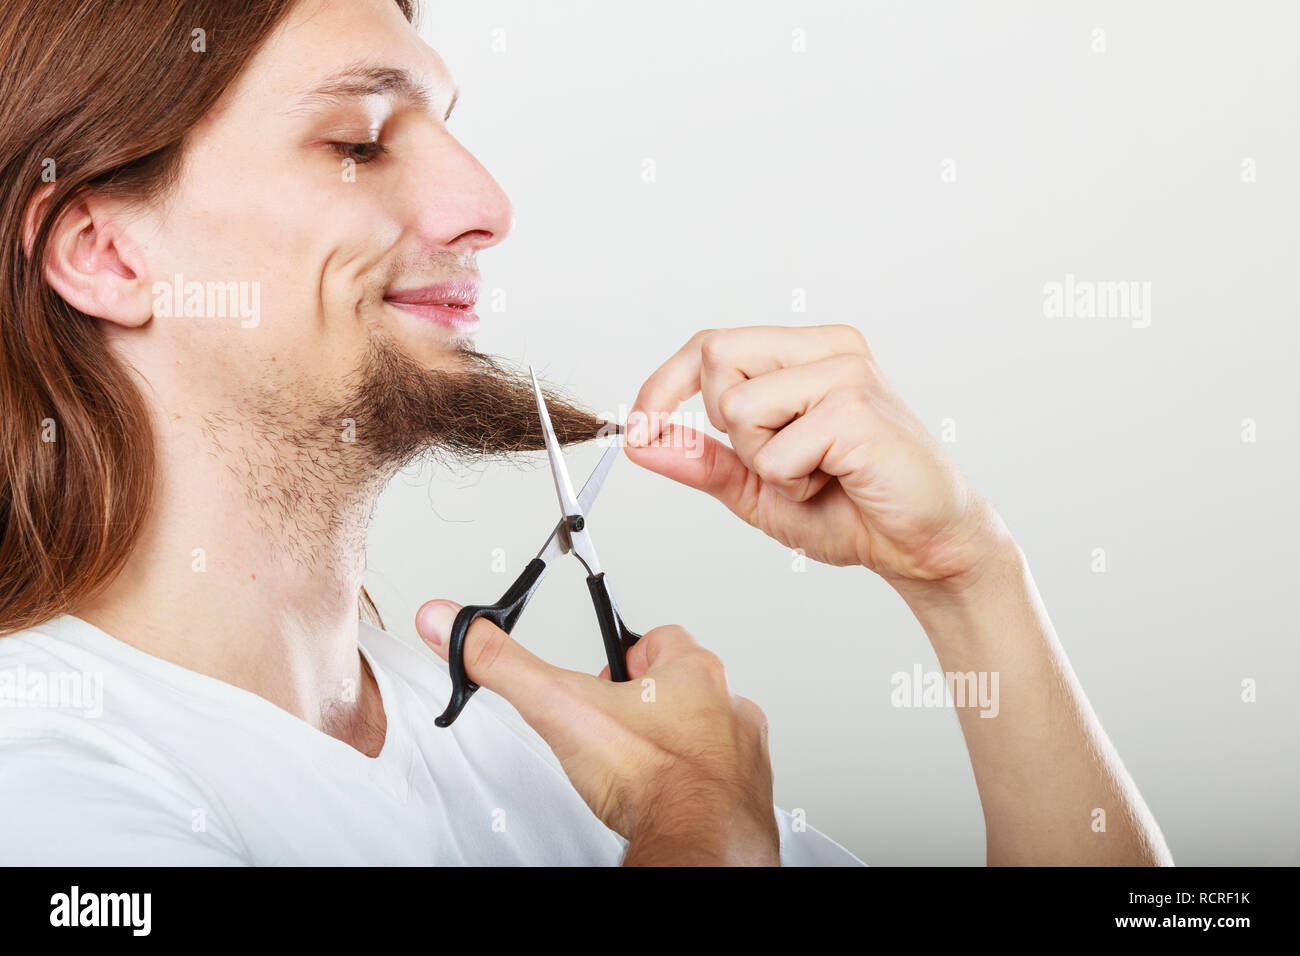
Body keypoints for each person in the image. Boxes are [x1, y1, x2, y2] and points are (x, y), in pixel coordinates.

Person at [0, 0, 1169, 866]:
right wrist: (703, 821)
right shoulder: (45, 776)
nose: (485, 206)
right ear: (105, 254)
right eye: (358, 139)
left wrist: (967, 576)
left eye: (445, 128)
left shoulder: (552, 744)